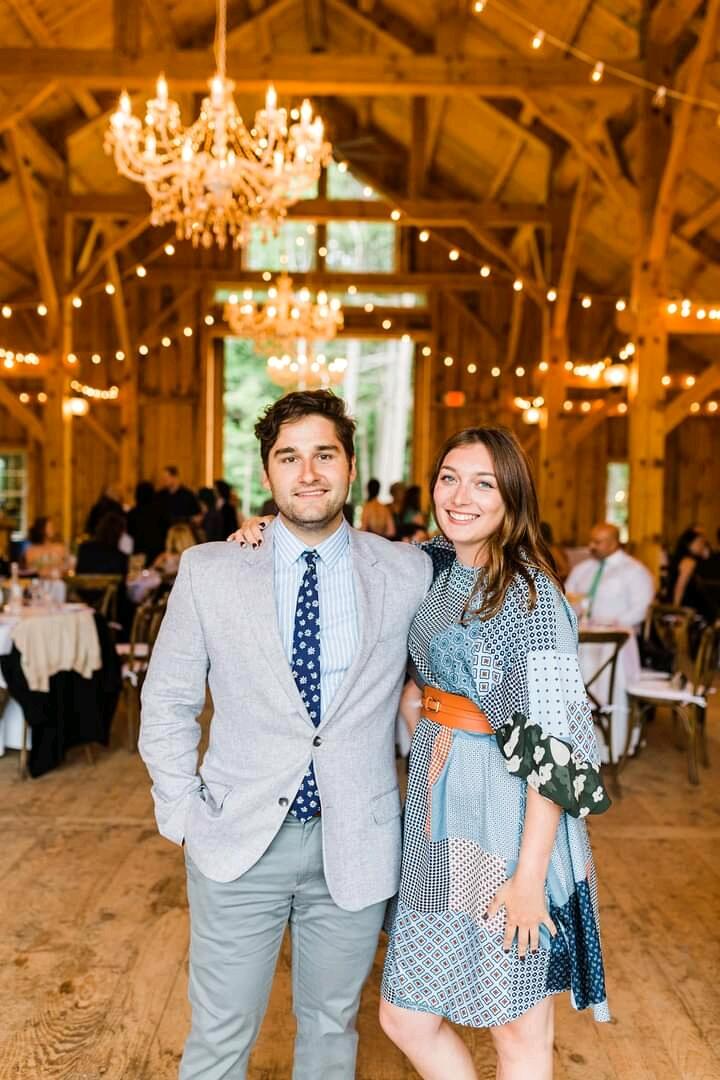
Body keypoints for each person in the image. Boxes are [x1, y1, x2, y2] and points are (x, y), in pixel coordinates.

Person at [139, 389, 431, 1080]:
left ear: (350, 467)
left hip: (355, 840)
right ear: (267, 476)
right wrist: (183, 813)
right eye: (289, 457)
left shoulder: (409, 570)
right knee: (219, 1036)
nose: (308, 473)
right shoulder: (212, 569)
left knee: (332, 1030)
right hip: (236, 837)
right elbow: (169, 699)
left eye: (324, 454)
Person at [377, 427, 611, 1080]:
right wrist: (260, 533)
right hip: (437, 807)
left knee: (518, 1027)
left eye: (484, 483)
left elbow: (556, 751)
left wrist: (530, 878)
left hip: (504, 820)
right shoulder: (443, 564)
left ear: (512, 498)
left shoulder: (530, 599)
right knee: (407, 1016)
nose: (462, 495)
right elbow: (362, 556)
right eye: (449, 476)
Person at [565, 522, 655, 631]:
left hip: (618, 635)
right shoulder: (581, 569)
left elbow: (642, 608)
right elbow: (567, 597)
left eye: (597, 542)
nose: (591, 546)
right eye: (590, 541)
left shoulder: (634, 570)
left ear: (613, 543)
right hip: (579, 633)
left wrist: (612, 625)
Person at [665, 527, 714, 623]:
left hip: (687, 606)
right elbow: (680, 587)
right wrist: (676, 610)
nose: (702, 546)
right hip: (686, 607)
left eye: (703, 543)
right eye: (699, 542)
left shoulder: (683, 558)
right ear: (689, 543)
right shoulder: (689, 561)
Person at [126, 481, 167, 567]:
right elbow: (166, 530)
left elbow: (129, 532)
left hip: (139, 552)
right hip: (158, 551)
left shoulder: (132, 513)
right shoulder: (161, 511)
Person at [76, 512, 129, 576]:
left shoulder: (84, 548)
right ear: (119, 533)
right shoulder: (119, 557)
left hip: (84, 585)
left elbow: (78, 573)